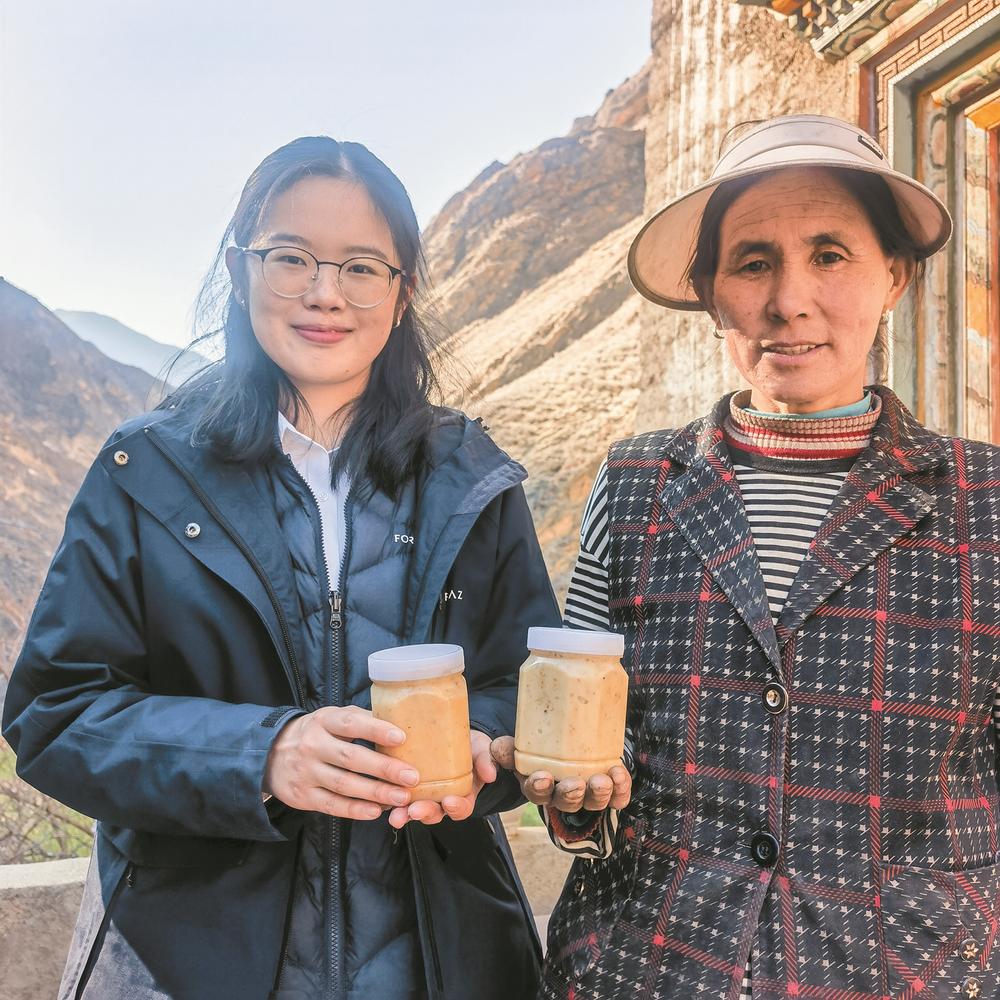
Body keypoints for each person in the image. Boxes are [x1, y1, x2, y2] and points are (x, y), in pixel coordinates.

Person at [2, 135, 560, 1000]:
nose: (325, 293)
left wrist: (484, 748)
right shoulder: (148, 472)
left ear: (403, 293)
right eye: (290, 257)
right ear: (239, 270)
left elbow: (528, 688)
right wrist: (262, 755)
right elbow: (55, 712)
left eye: (362, 267)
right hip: (183, 965)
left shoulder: (470, 479)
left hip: (440, 963)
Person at [494, 114, 999, 999]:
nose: (790, 300)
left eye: (830, 255)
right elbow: (586, 727)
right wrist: (576, 794)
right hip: (650, 966)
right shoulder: (638, 482)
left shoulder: (985, 501)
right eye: (753, 262)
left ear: (895, 276)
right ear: (709, 292)